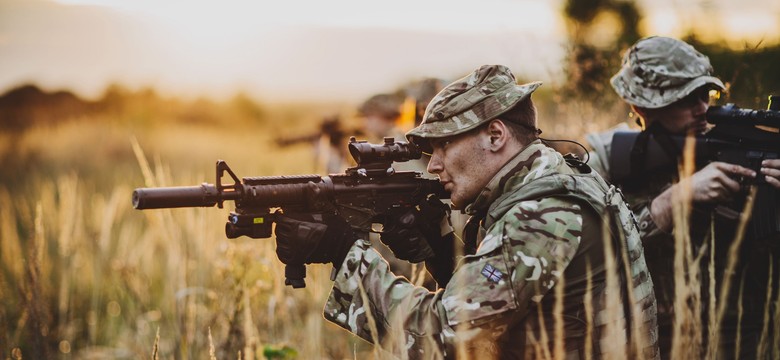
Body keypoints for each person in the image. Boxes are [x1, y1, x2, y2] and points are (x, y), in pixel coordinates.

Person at [274, 65, 659, 359]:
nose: (434, 165)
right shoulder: (559, 176)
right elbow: (520, 301)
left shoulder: (540, 214)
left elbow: (445, 336)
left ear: (495, 135)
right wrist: (440, 252)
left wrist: (346, 253)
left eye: (443, 147)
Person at [586, 36, 780, 359]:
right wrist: (673, 200)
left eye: (705, 95)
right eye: (685, 99)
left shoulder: (736, 144)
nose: (703, 109)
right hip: (651, 342)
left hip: (745, 340)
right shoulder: (605, 167)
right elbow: (591, 260)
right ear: (640, 107)